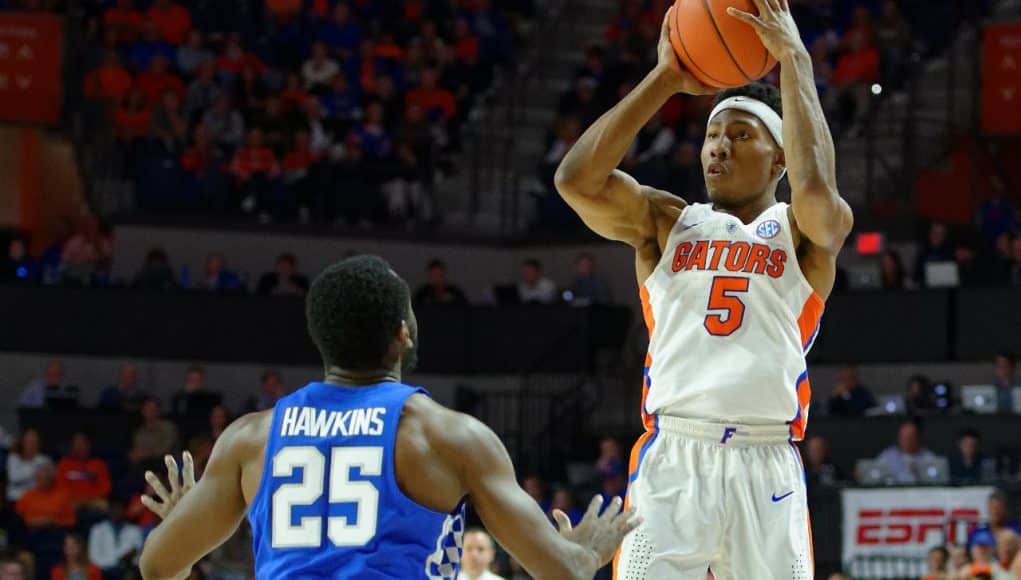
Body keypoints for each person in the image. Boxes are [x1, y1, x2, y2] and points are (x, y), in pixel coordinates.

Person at [554, 1, 854, 574]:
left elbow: (818, 191)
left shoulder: (801, 231)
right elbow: (576, 181)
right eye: (714, 133)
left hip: (766, 462)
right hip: (673, 455)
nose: (719, 145)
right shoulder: (668, 220)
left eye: (740, 135)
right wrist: (664, 78)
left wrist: (795, 60)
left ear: (778, 161)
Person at [138, 255, 638, 579]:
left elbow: (158, 567)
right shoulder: (448, 436)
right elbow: (562, 572)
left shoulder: (250, 438)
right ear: (403, 333)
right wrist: (588, 550)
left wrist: (177, 528)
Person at [55, 432, 111, 512]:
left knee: (104, 505)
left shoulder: (99, 464)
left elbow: (105, 487)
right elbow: (61, 487)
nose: (79, 447)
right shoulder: (64, 464)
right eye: (76, 444)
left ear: (88, 445)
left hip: (93, 501)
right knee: (61, 506)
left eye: (82, 444)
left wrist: (89, 499)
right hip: (72, 501)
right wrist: (76, 499)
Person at [87, 498, 143, 576]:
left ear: (125, 511)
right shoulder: (97, 529)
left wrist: (121, 564)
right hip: (104, 572)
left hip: (126, 571)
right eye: (114, 509)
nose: (116, 512)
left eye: (119, 509)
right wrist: (115, 563)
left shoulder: (135, 530)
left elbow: (137, 556)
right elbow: (94, 557)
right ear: (109, 510)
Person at [15, 463, 76, 530]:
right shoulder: (27, 495)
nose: (44, 480)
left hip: (56, 531)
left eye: (47, 478)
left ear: (53, 478)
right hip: (30, 532)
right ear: (36, 478)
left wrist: (54, 521)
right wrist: (31, 522)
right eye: (41, 477)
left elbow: (70, 521)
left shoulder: (63, 495)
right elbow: (17, 517)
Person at [6, 429, 53, 502]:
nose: (30, 443)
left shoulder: (44, 459)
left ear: (38, 443)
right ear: (22, 442)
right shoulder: (14, 457)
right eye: (28, 440)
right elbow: (14, 478)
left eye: (33, 440)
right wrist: (36, 468)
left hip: (37, 498)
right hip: (16, 498)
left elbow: (50, 479)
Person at [129, 398, 179, 466]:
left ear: (158, 410)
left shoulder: (168, 427)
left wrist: (147, 454)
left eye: (153, 409)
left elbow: (167, 448)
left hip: (164, 463)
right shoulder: (140, 431)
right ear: (143, 411)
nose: (150, 411)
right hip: (143, 464)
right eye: (147, 408)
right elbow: (137, 449)